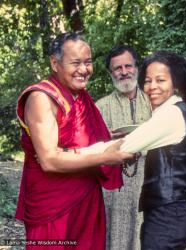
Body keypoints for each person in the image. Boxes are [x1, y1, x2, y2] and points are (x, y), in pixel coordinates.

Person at [15, 32, 133, 250]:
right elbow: (49, 160)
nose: (84, 69)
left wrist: (114, 144)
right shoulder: (41, 98)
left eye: (88, 62)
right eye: (75, 62)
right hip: (53, 204)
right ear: (54, 62)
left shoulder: (81, 96)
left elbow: (81, 147)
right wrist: (105, 156)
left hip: (87, 197)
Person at [87, 50, 186, 249]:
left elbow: (126, 145)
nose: (152, 87)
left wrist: (74, 154)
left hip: (166, 213)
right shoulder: (177, 110)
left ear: (175, 83)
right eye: (148, 81)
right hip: (163, 209)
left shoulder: (170, 113)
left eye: (160, 80)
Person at [96, 45, 151, 250]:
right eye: (117, 68)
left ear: (137, 68)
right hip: (115, 189)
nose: (124, 71)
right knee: (115, 236)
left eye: (128, 65)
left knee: (147, 234)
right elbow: (92, 149)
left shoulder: (153, 101)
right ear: (110, 73)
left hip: (149, 182)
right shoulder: (100, 107)